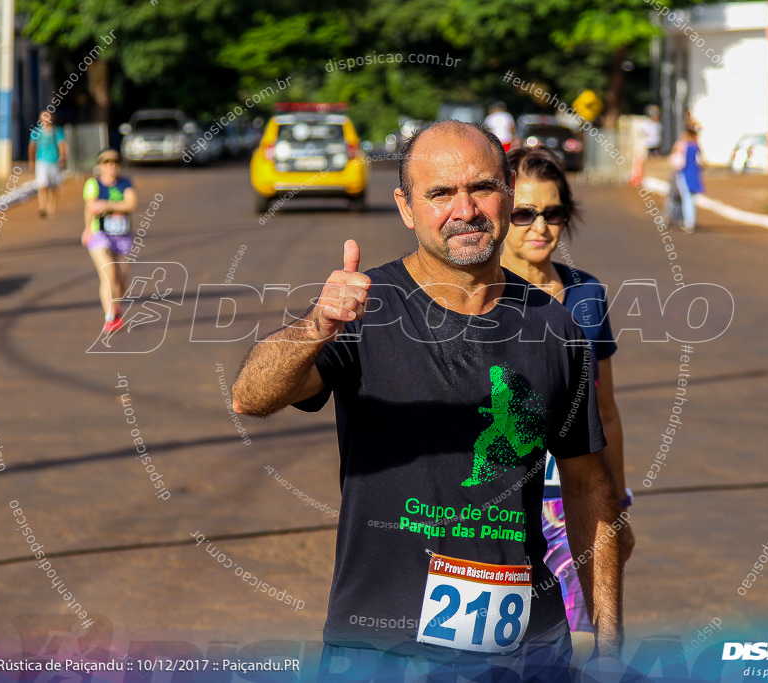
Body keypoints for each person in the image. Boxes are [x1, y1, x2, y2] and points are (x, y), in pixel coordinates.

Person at [232, 120, 624, 680]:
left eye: (481, 187)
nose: (464, 209)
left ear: (508, 191)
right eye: (440, 193)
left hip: (529, 652)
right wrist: (318, 324)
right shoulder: (364, 313)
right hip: (383, 653)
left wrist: (609, 645)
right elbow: (251, 396)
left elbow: (589, 487)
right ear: (406, 207)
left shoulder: (556, 329)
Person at [499, 147, 634, 659]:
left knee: (581, 644)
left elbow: (608, 412)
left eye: (553, 213)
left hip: (573, 504)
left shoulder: (586, 296)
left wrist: (617, 508)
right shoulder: (477, 297)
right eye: (524, 213)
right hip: (498, 505)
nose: (540, 226)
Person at [82, 149, 137, 333]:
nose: (111, 166)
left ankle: (116, 306)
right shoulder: (93, 184)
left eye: (114, 162)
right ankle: (109, 317)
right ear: (100, 166)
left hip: (122, 235)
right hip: (99, 233)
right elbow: (91, 206)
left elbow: (131, 204)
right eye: (106, 162)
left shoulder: (125, 183)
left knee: (122, 277)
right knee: (108, 272)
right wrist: (88, 229)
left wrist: (106, 205)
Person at [28, 110, 68, 218]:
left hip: (54, 161)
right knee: (42, 185)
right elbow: (32, 147)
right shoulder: (36, 132)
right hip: (41, 161)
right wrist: (31, 161)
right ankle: (42, 207)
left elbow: (62, 145)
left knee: (53, 186)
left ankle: (52, 207)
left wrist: (63, 156)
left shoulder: (57, 131)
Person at [669, 125, 704, 233]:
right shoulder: (696, 147)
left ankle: (688, 222)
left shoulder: (682, 146)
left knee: (686, 199)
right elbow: (701, 162)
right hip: (695, 175)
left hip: (684, 174)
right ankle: (691, 221)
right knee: (692, 199)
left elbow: (676, 161)